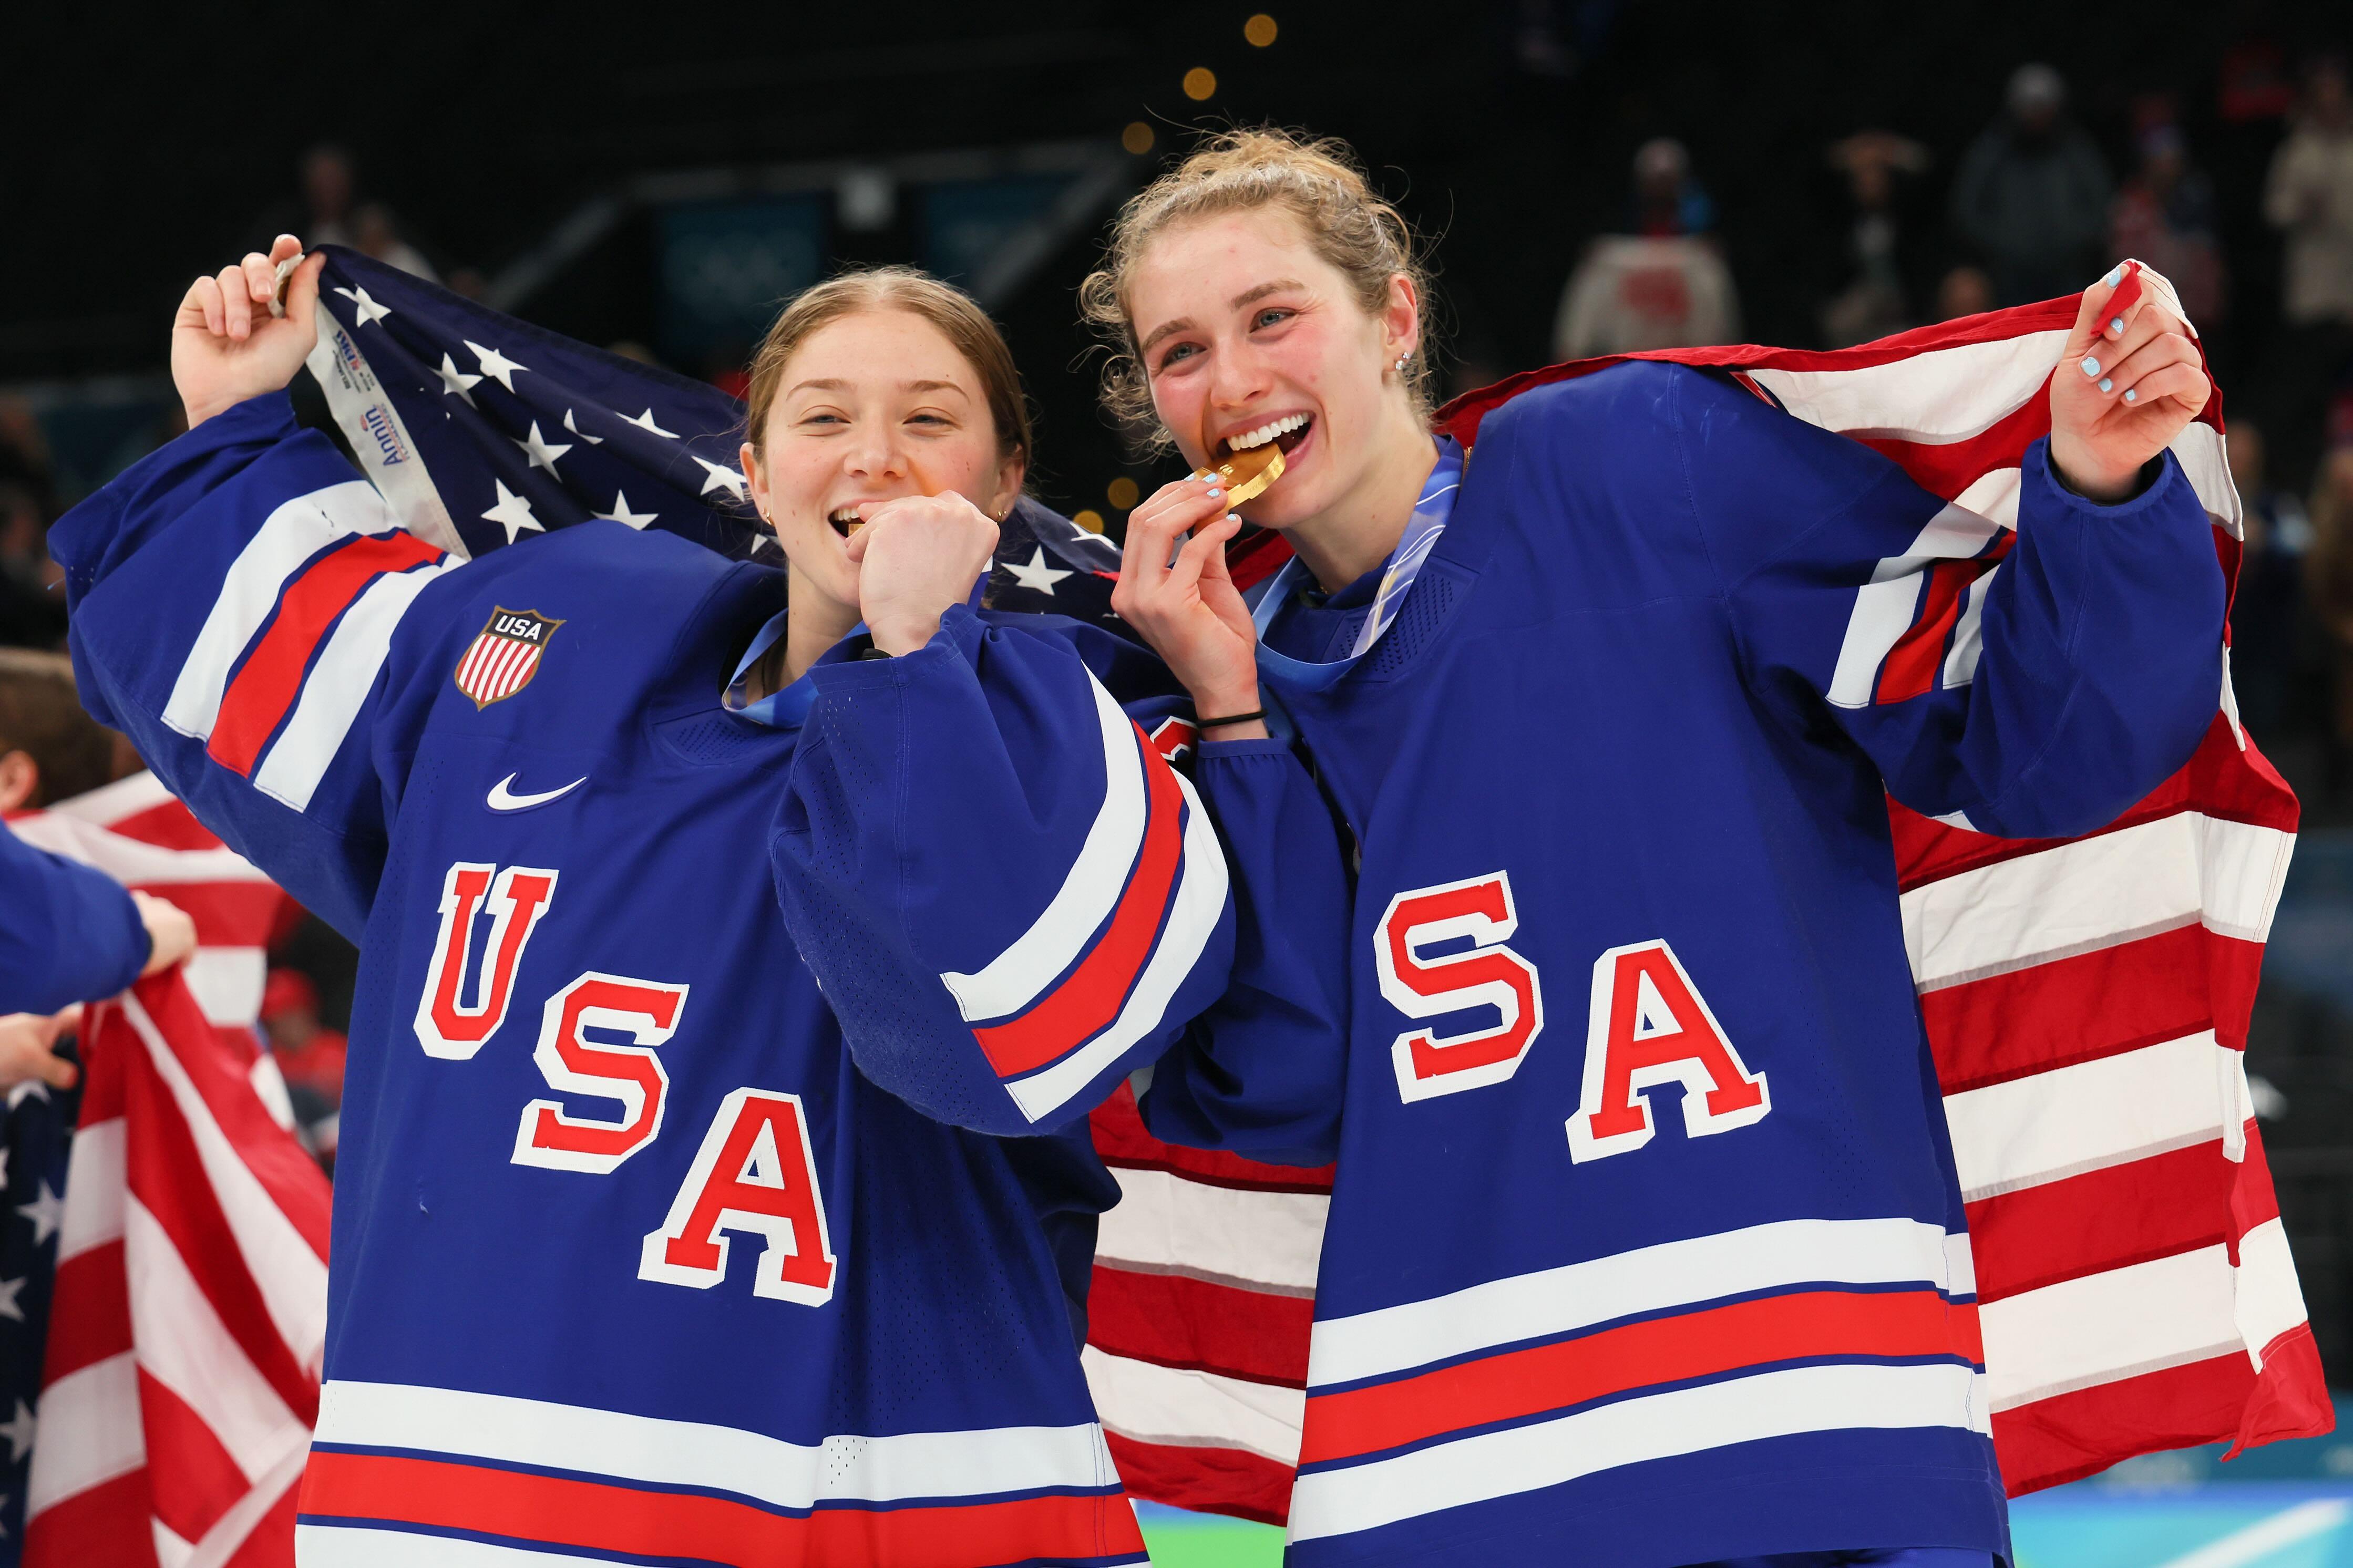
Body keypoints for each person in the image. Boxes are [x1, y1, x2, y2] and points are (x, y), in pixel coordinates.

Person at [53, 236, 1330, 1565]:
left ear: (1006, 482)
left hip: (892, 1507)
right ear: (759, 472)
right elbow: (264, 649)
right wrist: (235, 420)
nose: (874, 454)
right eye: (823, 417)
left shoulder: (1076, 726)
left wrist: (919, 651)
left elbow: (1000, 1022)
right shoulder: (552, 633)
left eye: (929, 420)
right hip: (459, 1501)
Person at [1078, 128, 2221, 1567]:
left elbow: (2033, 745)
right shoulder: (1227, 679)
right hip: (1441, 1471)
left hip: (1805, 1427)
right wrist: (1228, 711)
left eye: (1270, 317)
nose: (1230, 383)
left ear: (1394, 316)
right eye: (1178, 353)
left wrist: (2099, 492)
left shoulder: (1628, 458)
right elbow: (1286, 1089)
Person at [1552, 138, 1741, 359]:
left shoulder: (1700, 244)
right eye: (1656, 182)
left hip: (1686, 364)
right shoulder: (1616, 240)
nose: (1660, 190)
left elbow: (1721, 326)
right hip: (1627, 364)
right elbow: (1578, 331)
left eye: (1667, 182)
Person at [1950, 63, 2113, 304]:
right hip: (2009, 276)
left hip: (2068, 273)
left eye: (2043, 106)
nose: (2037, 115)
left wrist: (2072, 242)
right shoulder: (1992, 152)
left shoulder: (2076, 151)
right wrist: (2004, 244)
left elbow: (2103, 204)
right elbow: (1967, 208)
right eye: (2030, 106)